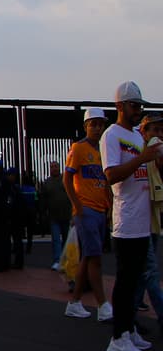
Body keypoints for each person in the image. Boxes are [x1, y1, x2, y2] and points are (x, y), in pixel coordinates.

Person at [100, 81, 160, 351]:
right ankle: (118, 337)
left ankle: (130, 330)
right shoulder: (111, 135)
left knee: (136, 280)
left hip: (142, 221)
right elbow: (111, 175)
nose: (139, 111)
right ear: (120, 106)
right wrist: (141, 159)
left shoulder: (137, 136)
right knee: (125, 282)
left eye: (141, 106)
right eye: (135, 105)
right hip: (125, 222)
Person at [63, 108, 112, 321]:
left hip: (100, 209)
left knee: (88, 256)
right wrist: (78, 206)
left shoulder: (104, 151)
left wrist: (109, 206)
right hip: (87, 209)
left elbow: (106, 182)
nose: (97, 128)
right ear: (86, 126)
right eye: (93, 124)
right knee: (95, 258)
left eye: (100, 124)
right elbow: (67, 179)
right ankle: (102, 305)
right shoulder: (78, 148)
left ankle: (74, 302)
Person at [134, 110, 163, 319]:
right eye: (155, 129)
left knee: (141, 273)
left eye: (161, 130)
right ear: (143, 132)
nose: (159, 134)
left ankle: (130, 316)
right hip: (139, 219)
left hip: (152, 219)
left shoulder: (155, 153)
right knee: (150, 271)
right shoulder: (141, 151)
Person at [37, 159, 71, 272]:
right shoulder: (47, 183)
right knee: (56, 240)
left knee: (67, 240)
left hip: (67, 214)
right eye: (52, 167)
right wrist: (43, 212)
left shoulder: (65, 180)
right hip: (53, 216)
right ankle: (57, 261)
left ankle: (67, 261)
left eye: (56, 166)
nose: (54, 168)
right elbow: (43, 199)